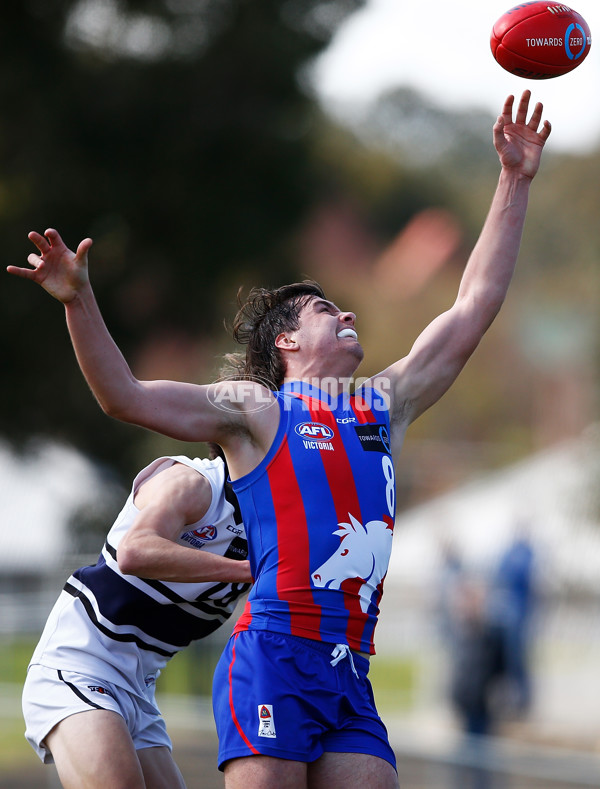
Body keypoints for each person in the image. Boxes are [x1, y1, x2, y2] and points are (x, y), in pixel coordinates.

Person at [8, 90, 551, 789]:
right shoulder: (257, 411)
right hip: (273, 656)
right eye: (327, 309)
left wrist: (514, 179)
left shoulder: (386, 403)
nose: (348, 309)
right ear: (288, 340)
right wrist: (79, 300)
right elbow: (126, 398)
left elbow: (474, 306)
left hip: (350, 665)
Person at [21, 449, 252, 789]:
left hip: (139, 691)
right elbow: (135, 551)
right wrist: (249, 570)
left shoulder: (276, 519)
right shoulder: (196, 484)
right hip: (79, 665)